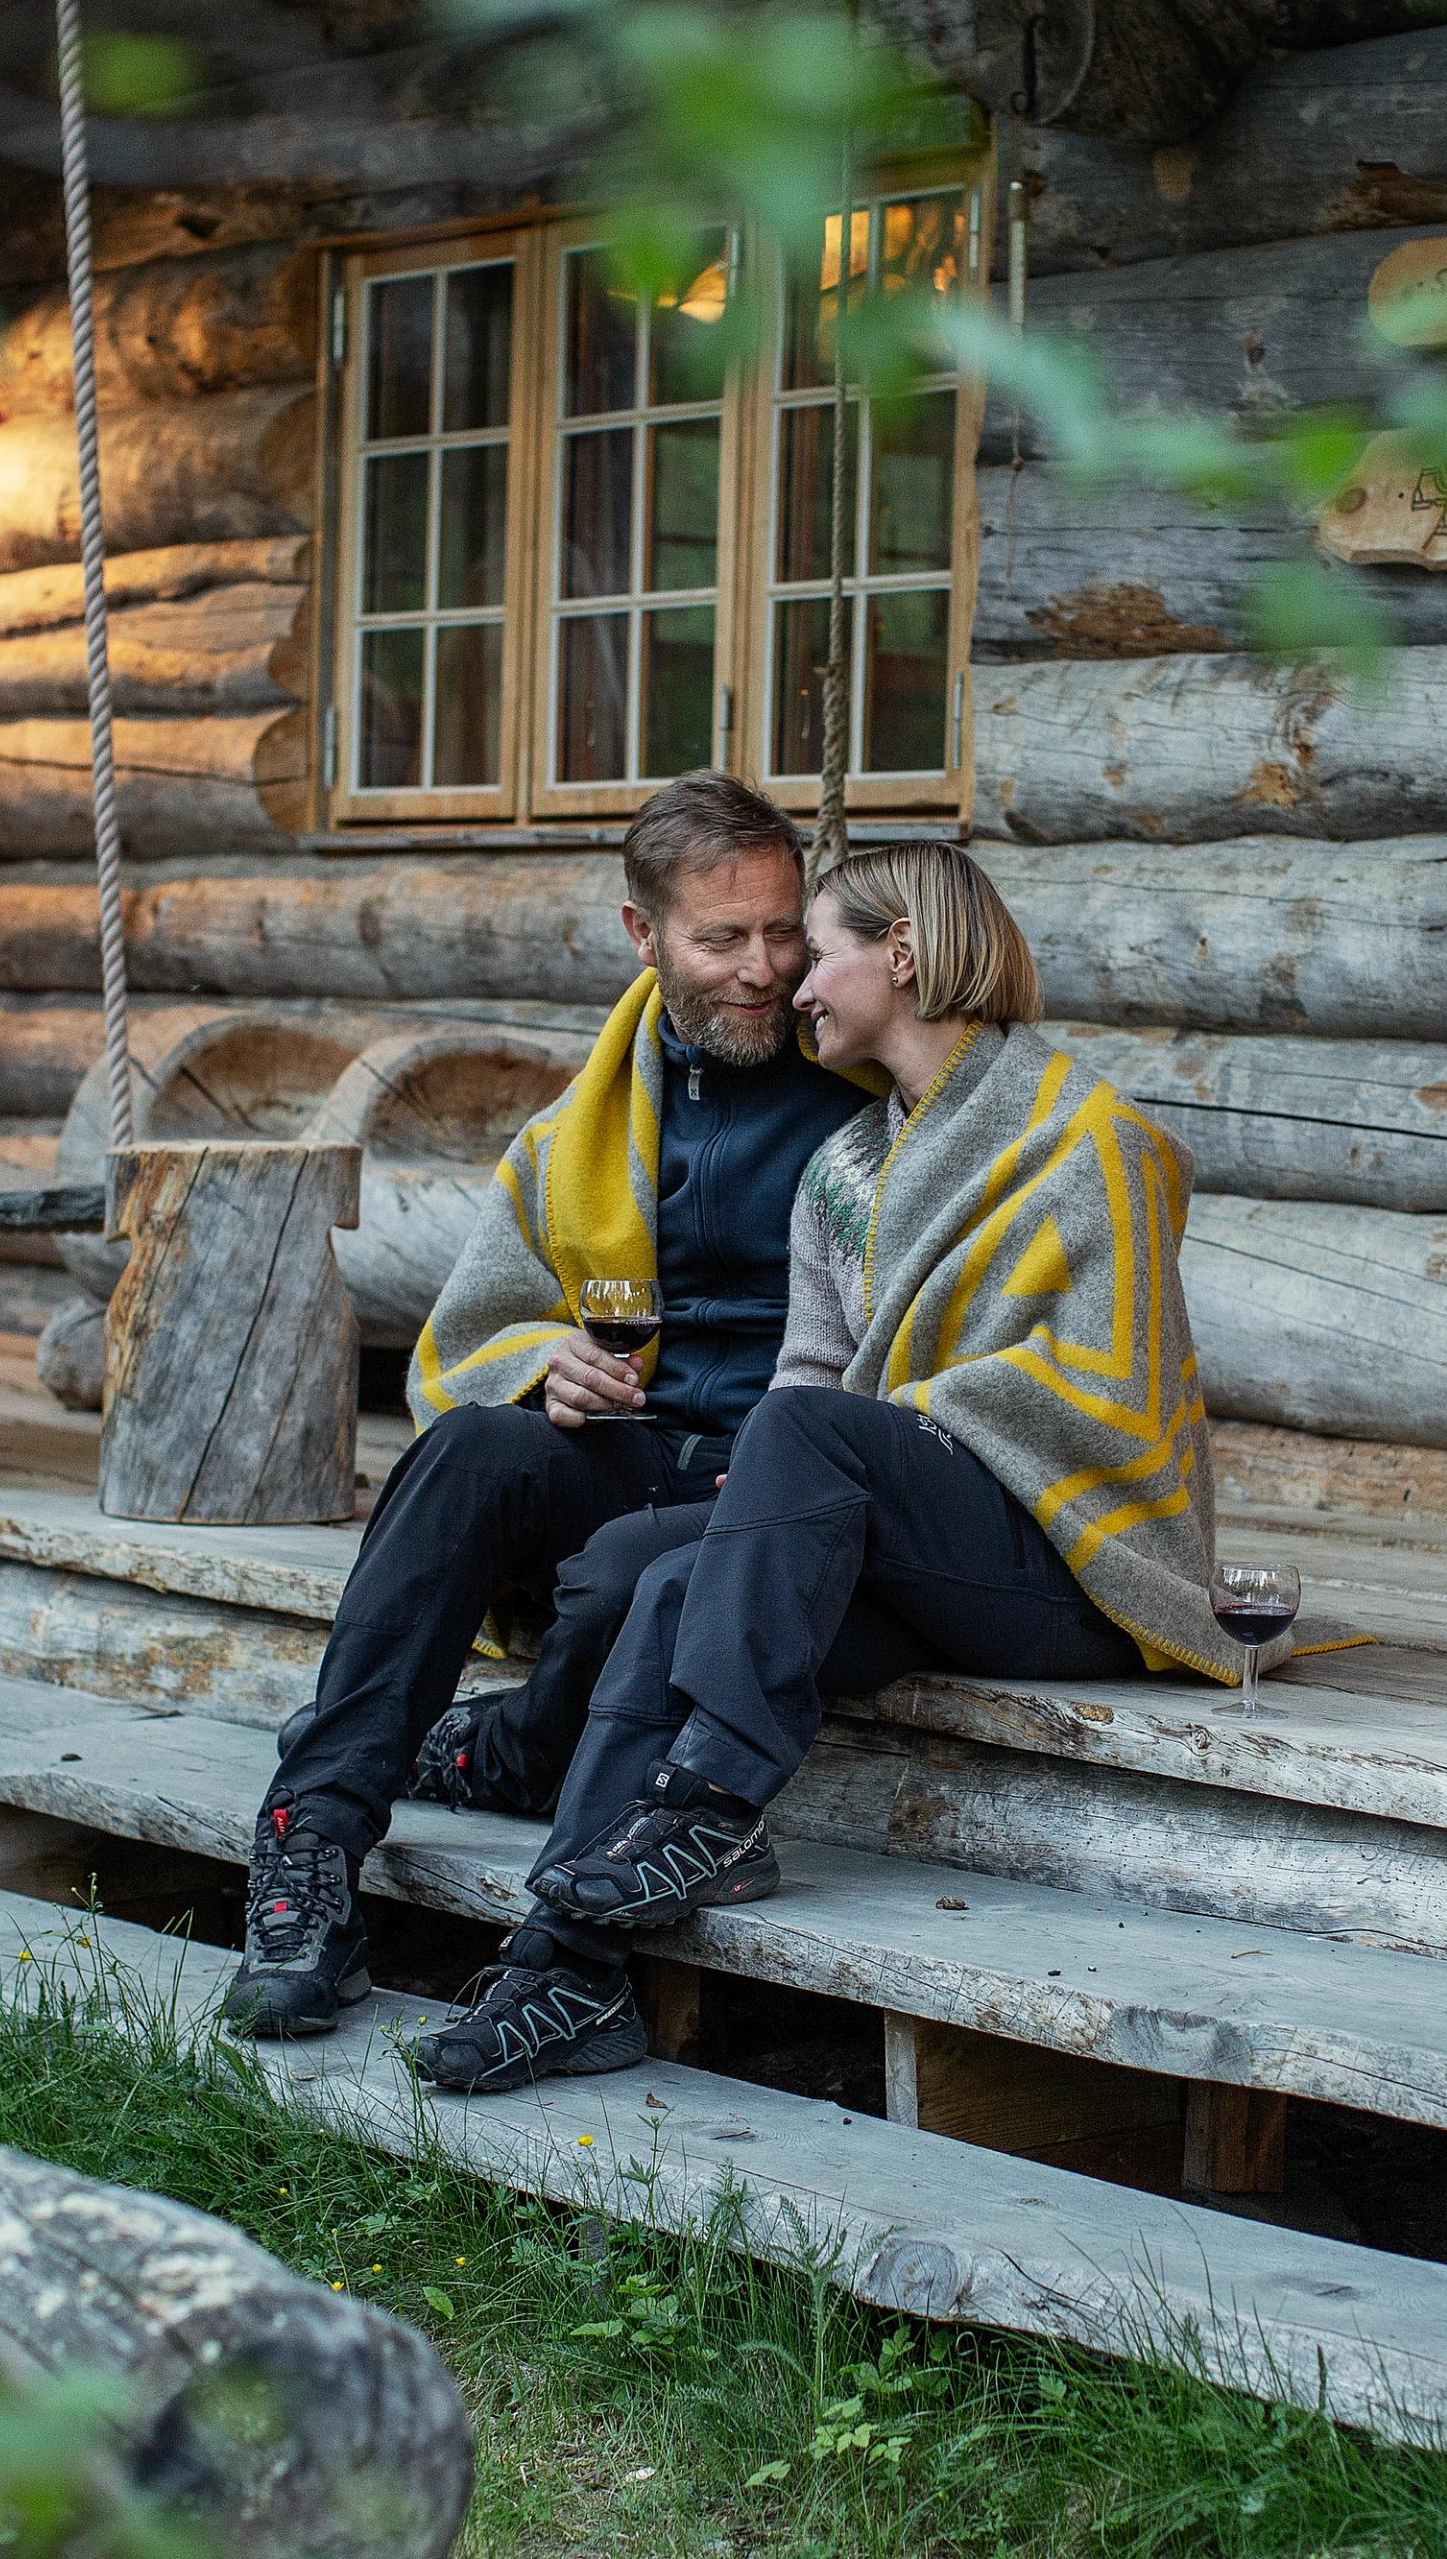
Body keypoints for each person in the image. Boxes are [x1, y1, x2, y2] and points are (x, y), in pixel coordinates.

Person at [412, 840, 1245, 2093]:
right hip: (912, 1548)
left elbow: (1116, 1394)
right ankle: (563, 1970)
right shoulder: (842, 1171)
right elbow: (812, 1387)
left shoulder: (1089, 1138)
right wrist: (805, 1479)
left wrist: (879, 1435)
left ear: (901, 954)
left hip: (1072, 1568)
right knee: (660, 1574)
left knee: (804, 1438)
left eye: (820, 949)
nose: (794, 981)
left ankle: (708, 1806)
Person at [221, 773, 878, 2037]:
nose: (763, 967)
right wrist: (540, 1362)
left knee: (625, 1580)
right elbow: (466, 1334)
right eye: (722, 937)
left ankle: (517, 1754)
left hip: (784, 1479)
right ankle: (310, 1847)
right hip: (637, 1450)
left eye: (784, 930)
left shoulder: (863, 1095)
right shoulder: (588, 1123)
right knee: (471, 1448)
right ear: (644, 937)